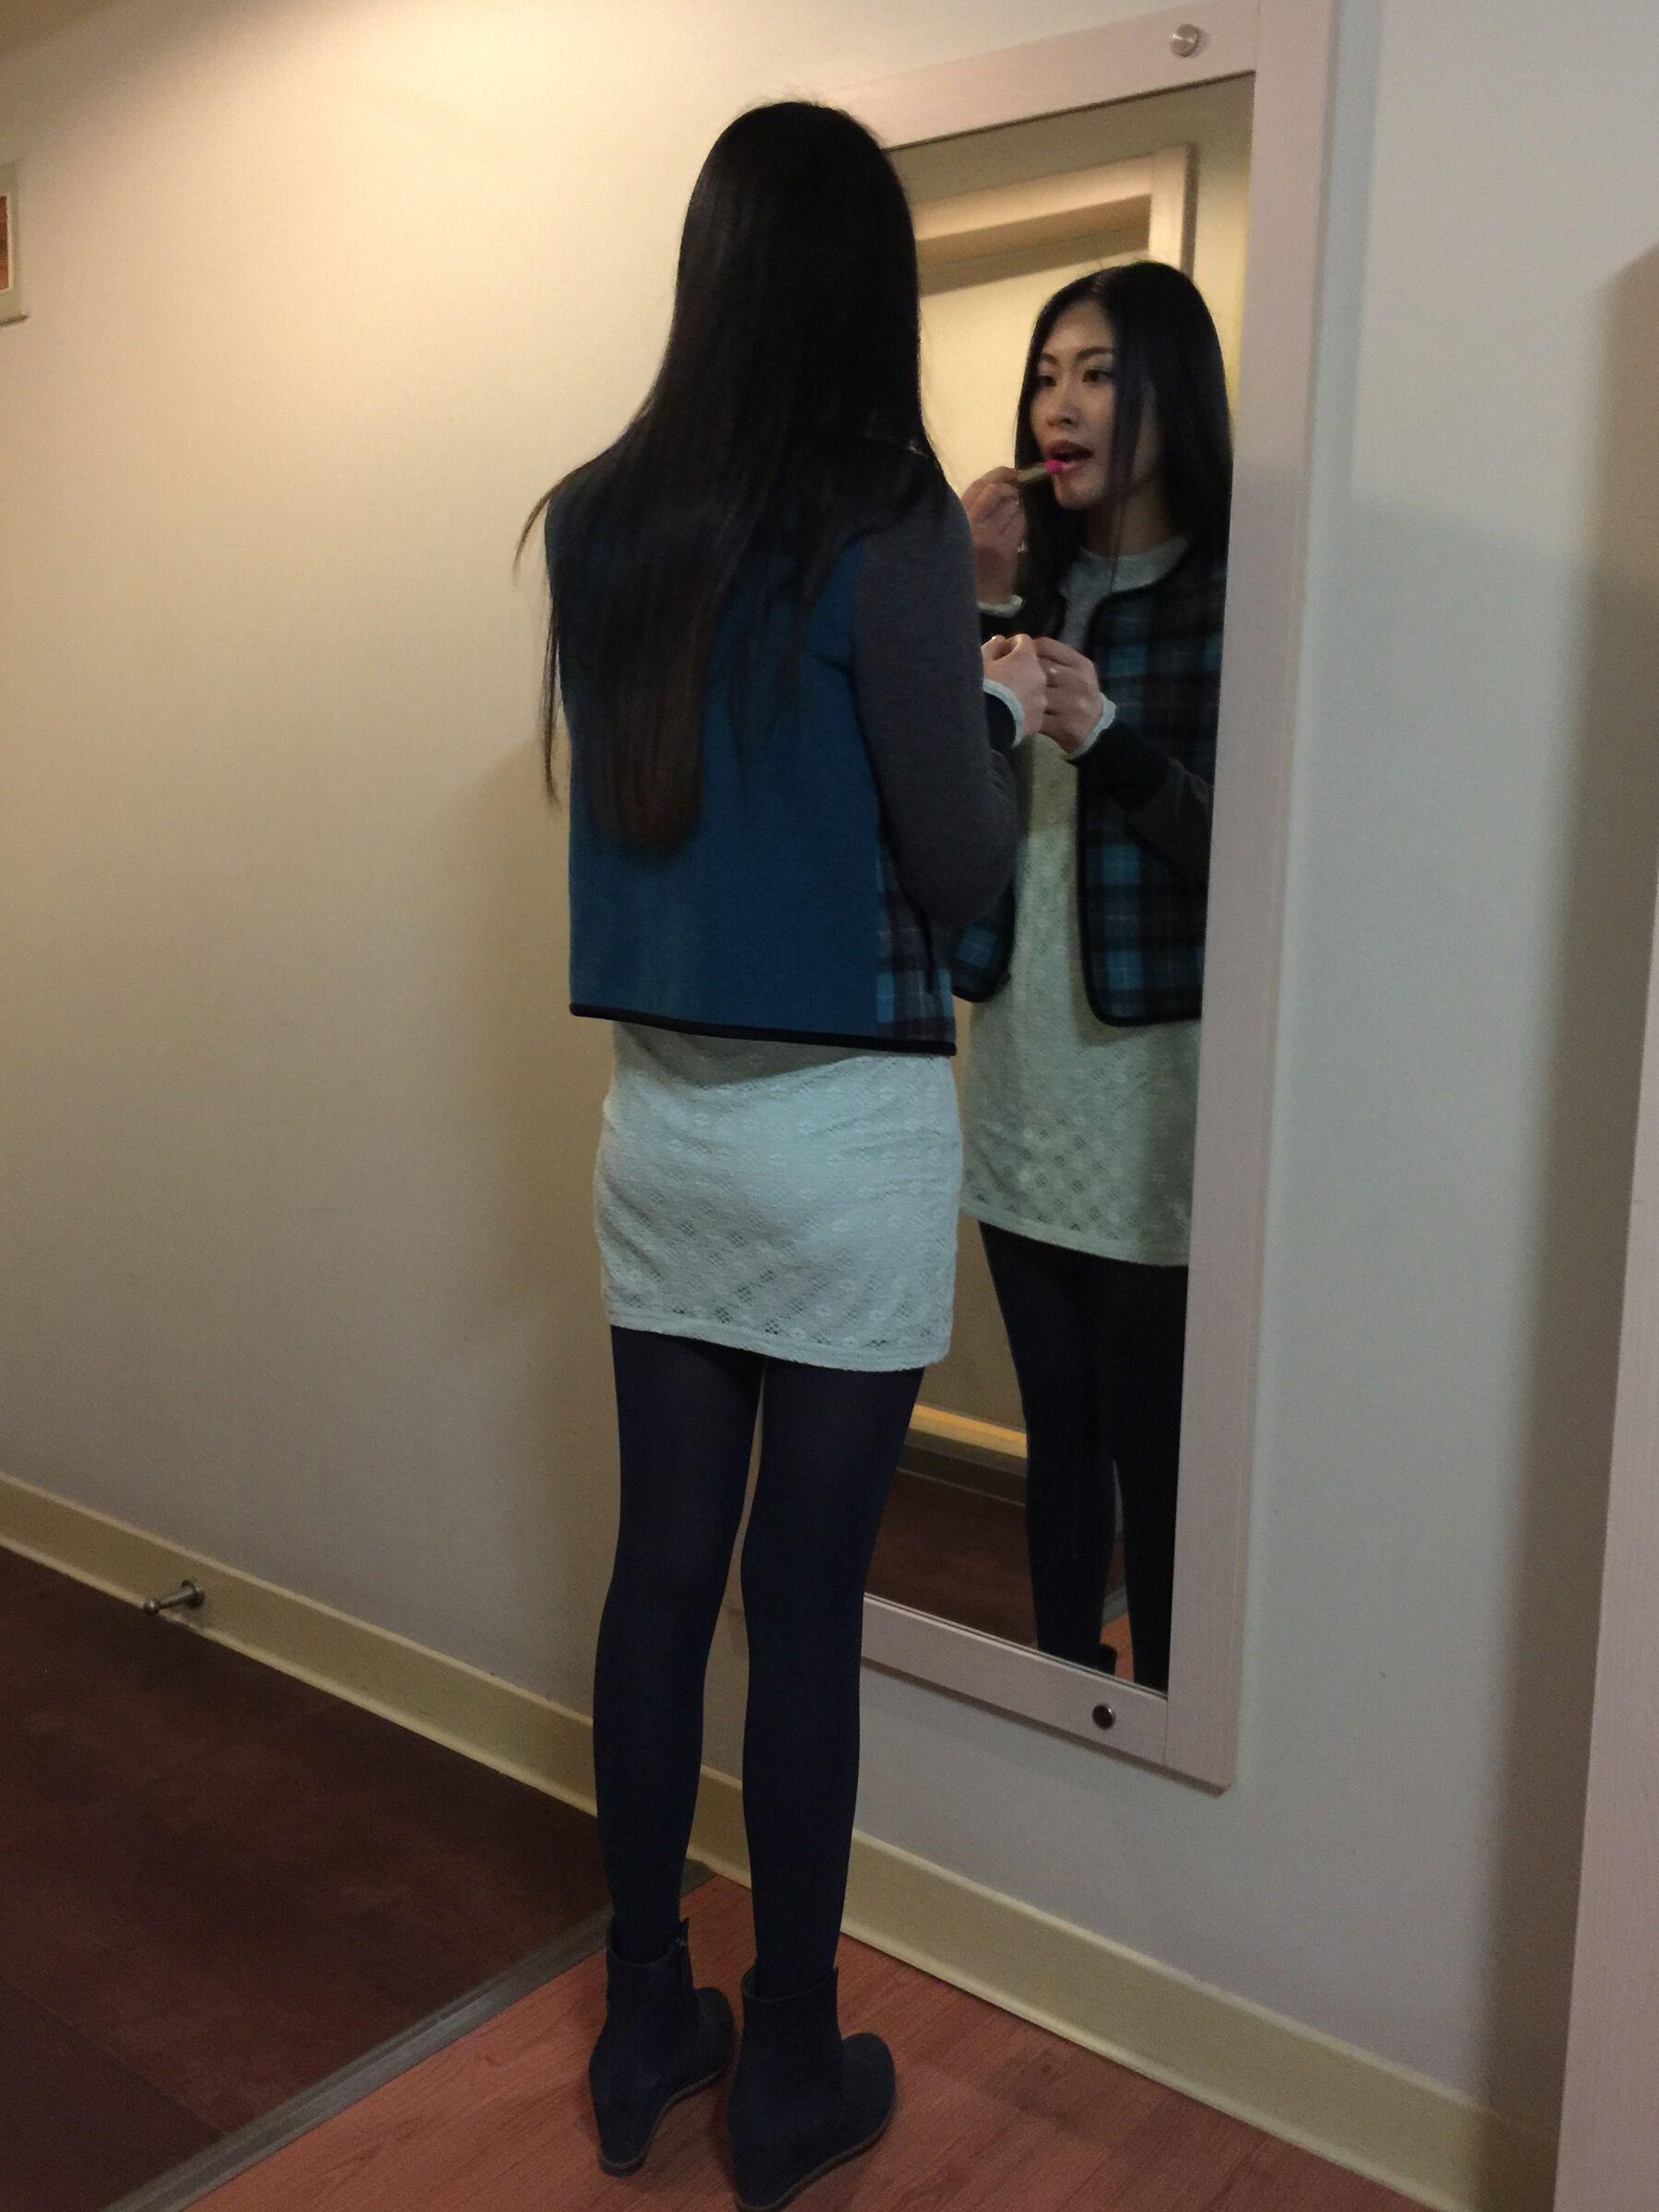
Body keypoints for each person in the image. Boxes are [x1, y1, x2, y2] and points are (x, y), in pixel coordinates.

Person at [524, 101, 1046, 2211]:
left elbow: (696, 790)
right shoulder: (887, 517)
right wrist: (993, 689)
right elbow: (961, 861)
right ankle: (794, 2066)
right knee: (800, 1610)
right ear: (865, 281)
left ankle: (648, 2015)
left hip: (662, 1128)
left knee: (661, 1578)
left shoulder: (601, 521)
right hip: (840, 1136)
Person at [956, 261, 1232, 1696]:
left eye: (1100, 372)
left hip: (1159, 1086)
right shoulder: (1024, 592)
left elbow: (1257, 859)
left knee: (1157, 1437)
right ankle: (1066, 1688)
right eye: (1046, 374)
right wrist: (972, 599)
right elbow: (928, 797)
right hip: (1021, 1062)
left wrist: (1109, 743)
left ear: (1174, 395)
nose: (1058, 405)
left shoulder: (1236, 593)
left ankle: (1167, 1708)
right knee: (1052, 1429)